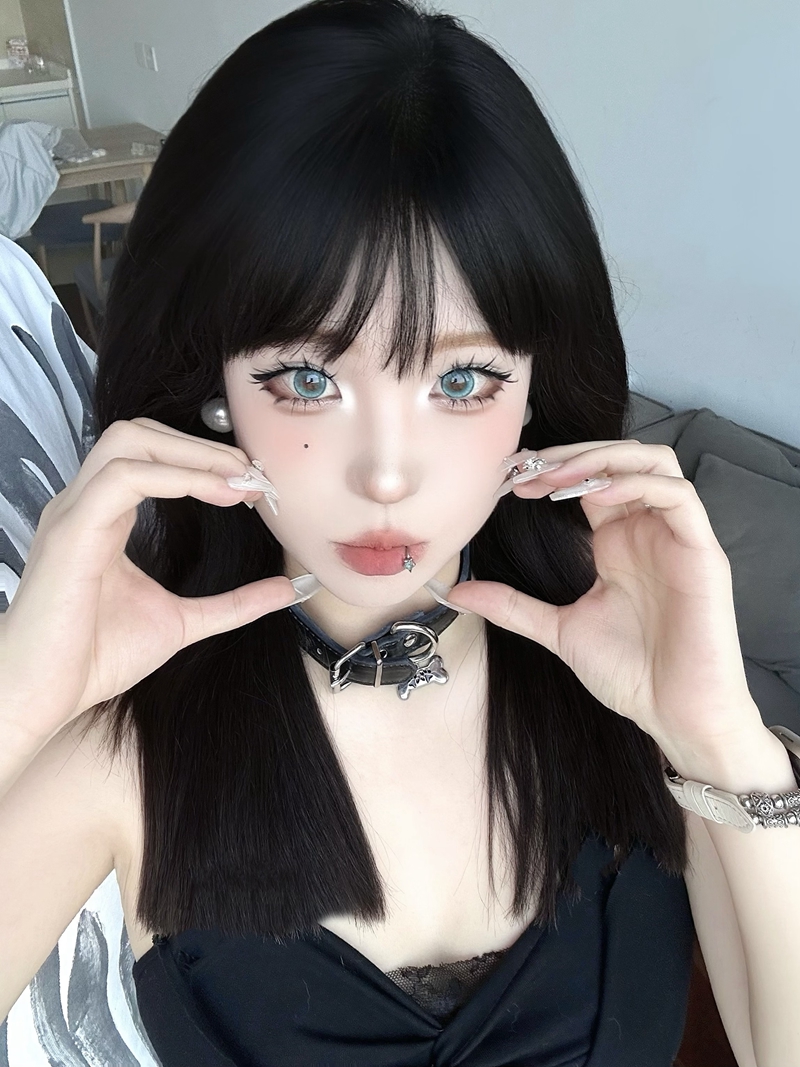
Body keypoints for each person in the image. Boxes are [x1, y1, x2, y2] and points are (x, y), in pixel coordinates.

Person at [3, 1, 794, 1065]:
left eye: (460, 381)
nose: (385, 473)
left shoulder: (638, 705)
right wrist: (21, 698)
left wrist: (723, 738)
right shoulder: (129, 752)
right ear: (214, 391)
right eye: (307, 378)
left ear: (536, 393)